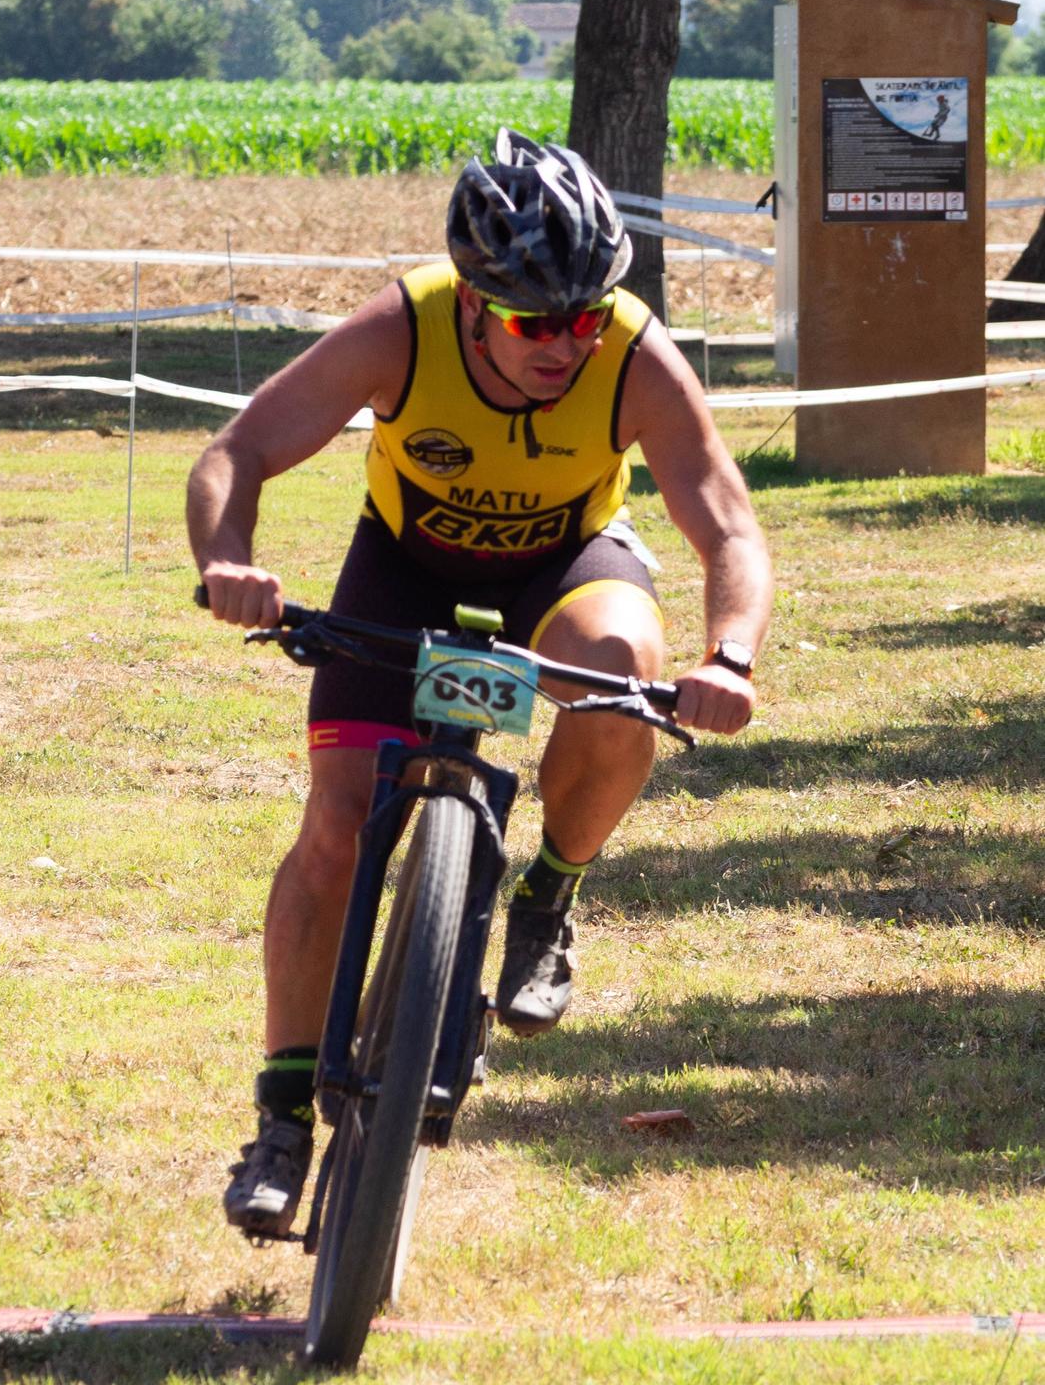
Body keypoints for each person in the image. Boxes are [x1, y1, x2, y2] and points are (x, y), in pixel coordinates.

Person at [187, 129, 773, 1240]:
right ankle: (279, 1117)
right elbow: (240, 448)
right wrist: (227, 560)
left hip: (564, 562)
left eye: (586, 314)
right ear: (472, 304)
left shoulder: (632, 354)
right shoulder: (402, 325)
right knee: (337, 822)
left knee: (621, 673)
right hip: (405, 566)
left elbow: (727, 521)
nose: (566, 343)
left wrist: (729, 655)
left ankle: (547, 894)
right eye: (533, 321)